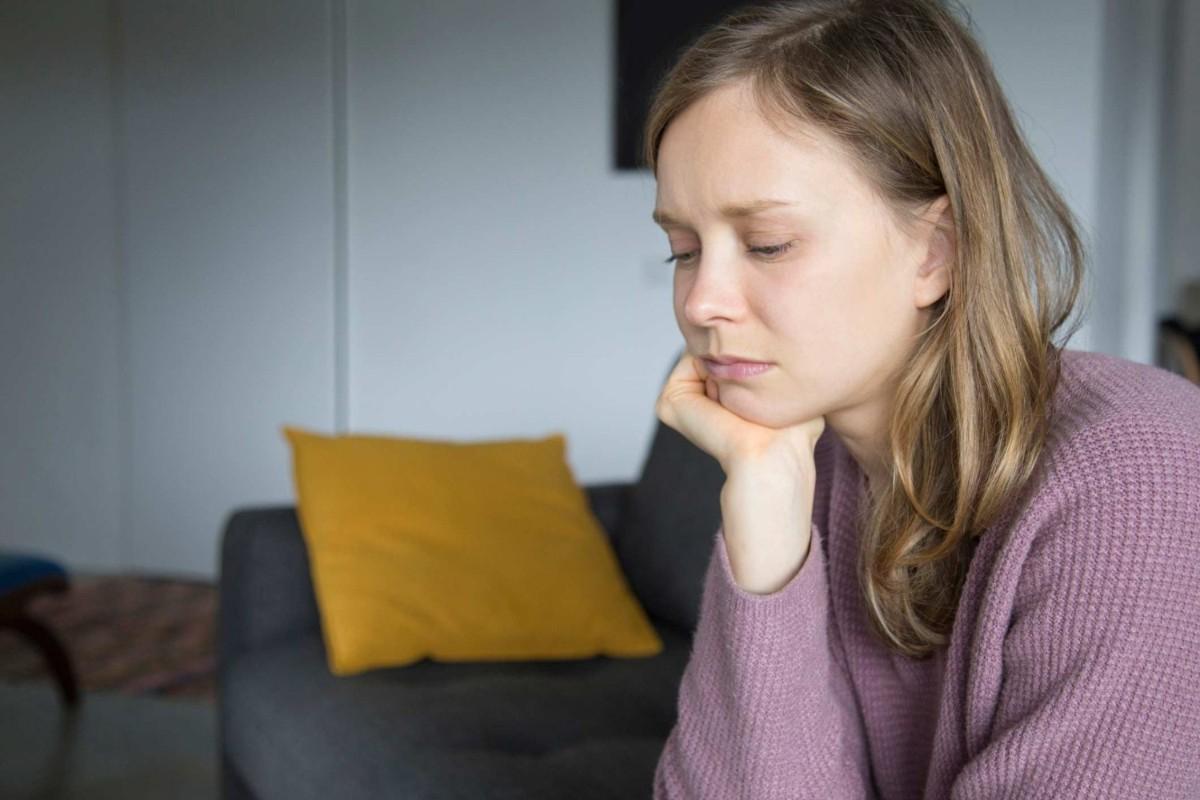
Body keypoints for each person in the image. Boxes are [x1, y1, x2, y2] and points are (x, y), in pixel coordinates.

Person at [645, 1, 1200, 798]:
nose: (701, 303)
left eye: (768, 243)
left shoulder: (1143, 474)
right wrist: (767, 535)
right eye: (683, 250)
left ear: (935, 254)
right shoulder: (799, 456)